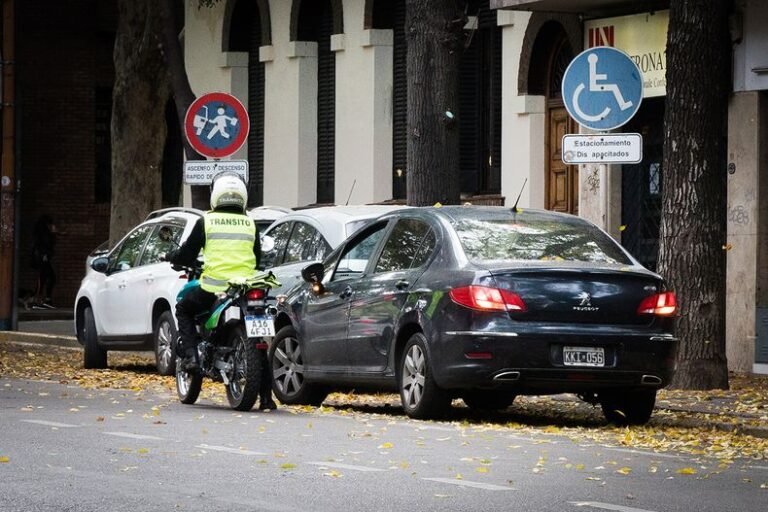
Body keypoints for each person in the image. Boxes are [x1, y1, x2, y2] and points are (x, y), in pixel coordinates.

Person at [166, 171, 276, 410]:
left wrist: (173, 256)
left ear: (215, 195)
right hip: (246, 287)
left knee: (184, 307)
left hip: (214, 288)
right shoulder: (250, 223)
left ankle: (191, 356)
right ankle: (267, 398)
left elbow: (187, 253)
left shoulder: (207, 221)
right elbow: (257, 258)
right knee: (259, 339)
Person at [31, 214, 59, 309]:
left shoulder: (44, 233)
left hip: (43, 257)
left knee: (45, 278)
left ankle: (44, 300)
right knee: (45, 278)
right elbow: (45, 245)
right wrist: (44, 255)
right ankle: (38, 301)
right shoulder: (44, 233)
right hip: (42, 258)